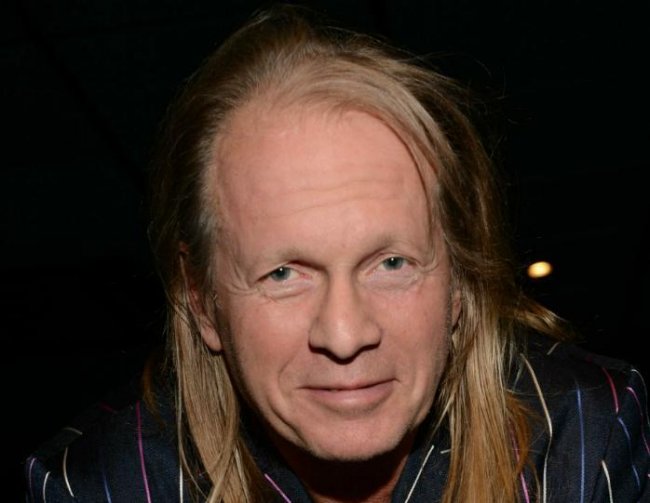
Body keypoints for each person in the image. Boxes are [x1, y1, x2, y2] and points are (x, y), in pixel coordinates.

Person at [25, 4, 649, 502]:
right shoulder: (104, 485)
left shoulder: (581, 438)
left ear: (459, 278)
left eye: (392, 264)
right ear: (202, 300)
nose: (346, 335)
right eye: (283, 274)